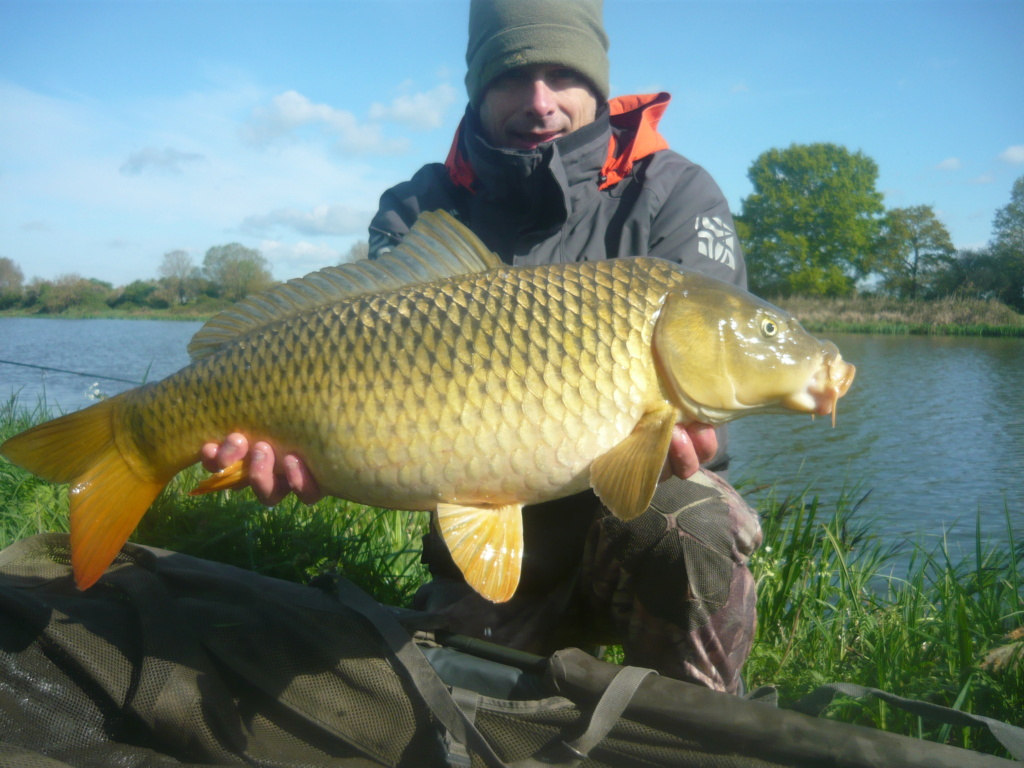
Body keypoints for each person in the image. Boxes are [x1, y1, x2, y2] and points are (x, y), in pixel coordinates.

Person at [202, 0, 761, 694]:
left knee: (689, 516)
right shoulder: (419, 208)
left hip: (625, 533)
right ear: (477, 86)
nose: (539, 102)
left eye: (562, 74)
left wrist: (694, 433)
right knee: (444, 711)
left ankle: (692, 730)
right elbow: (349, 390)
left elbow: (710, 399)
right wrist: (300, 446)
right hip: (478, 548)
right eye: (512, 76)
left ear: (598, 84)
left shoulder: (673, 192)